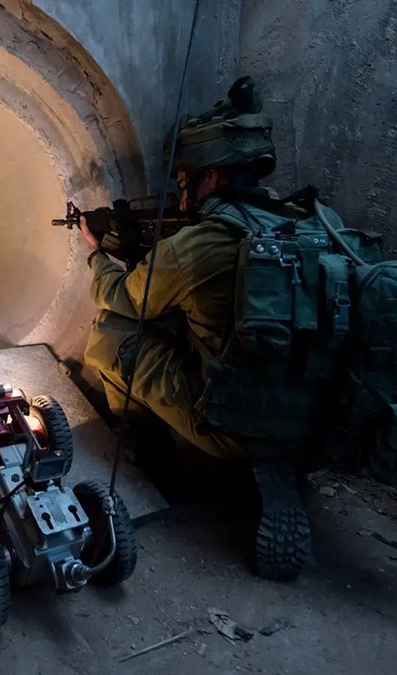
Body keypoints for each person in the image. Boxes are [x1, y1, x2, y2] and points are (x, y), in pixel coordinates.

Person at [78, 77, 314, 581]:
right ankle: (285, 460)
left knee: (112, 333)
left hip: (231, 423)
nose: (181, 194)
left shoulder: (203, 243)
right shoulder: (307, 220)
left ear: (210, 176)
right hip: (316, 414)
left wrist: (99, 255)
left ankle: (151, 452)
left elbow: (124, 298)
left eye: (185, 182)